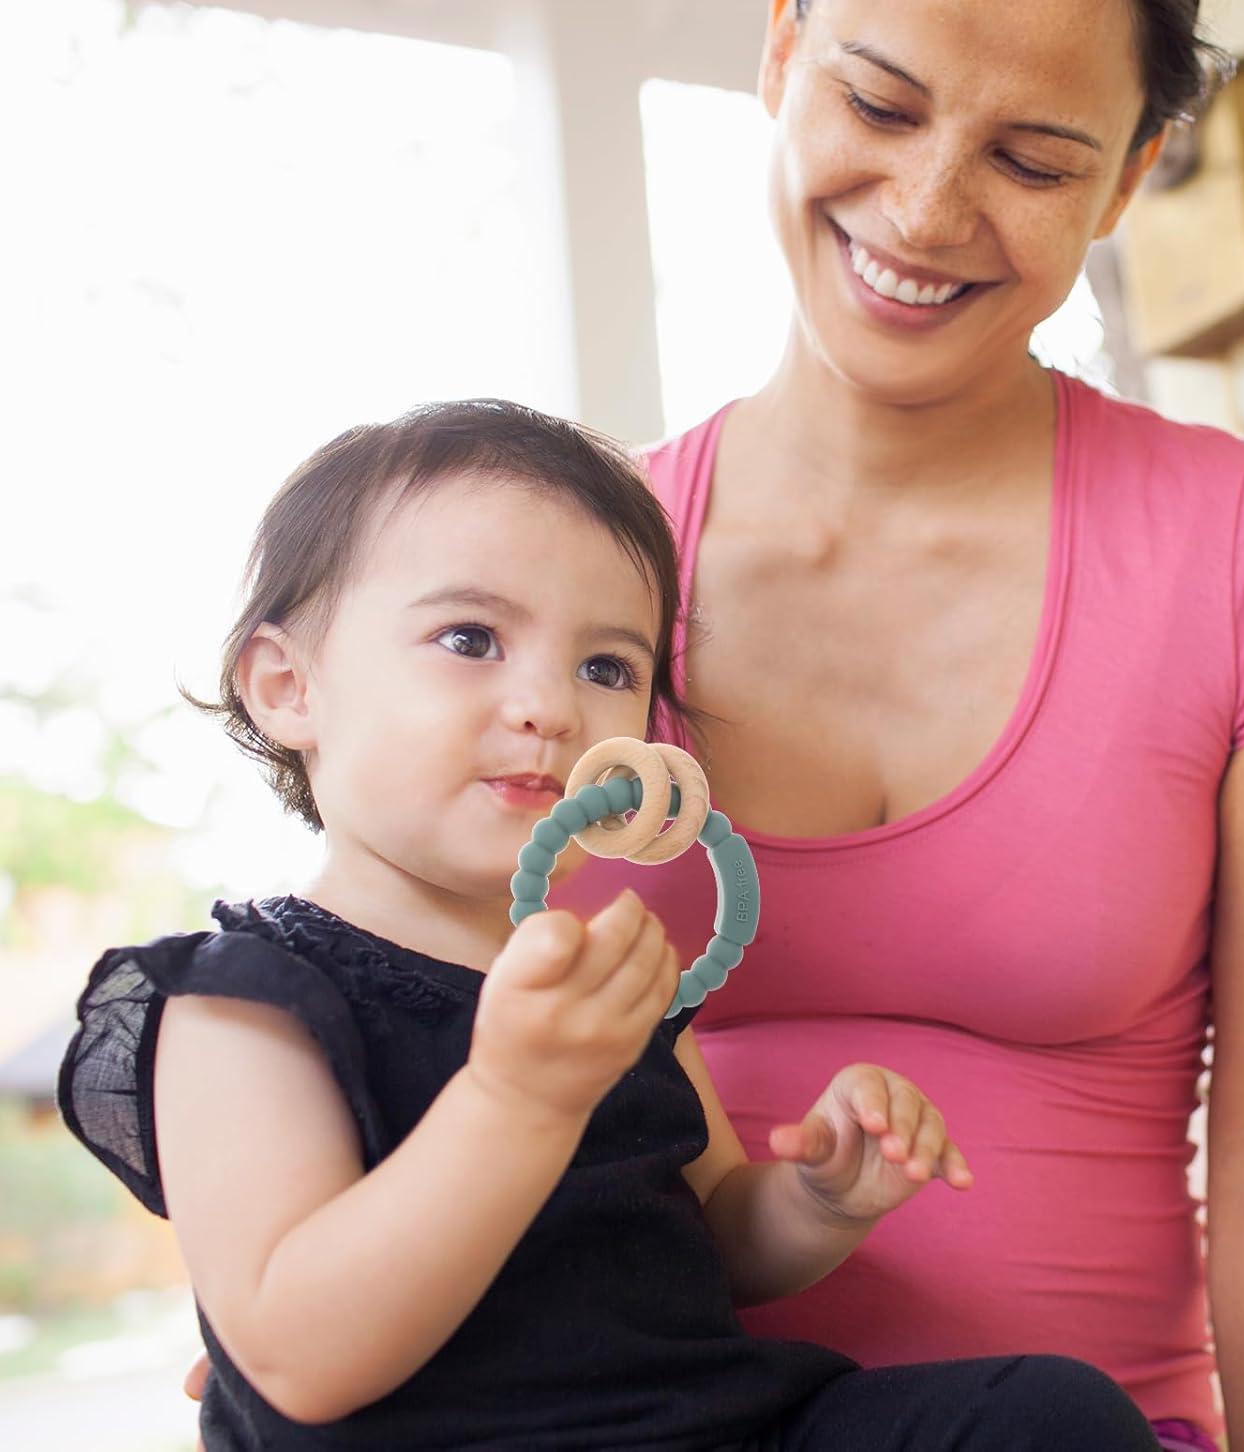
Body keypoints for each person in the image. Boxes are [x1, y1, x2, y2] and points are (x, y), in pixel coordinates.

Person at [548, 0, 1244, 1450]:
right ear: (782, 45)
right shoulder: (569, 569)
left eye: (1032, 159)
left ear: (1135, 172)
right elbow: (413, 993)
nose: (930, 210)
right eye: (880, 103)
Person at [58, 400, 1161, 1449]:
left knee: (1054, 1416)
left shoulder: (611, 974)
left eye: (605, 665)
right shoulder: (241, 1001)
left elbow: (717, 1240)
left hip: (707, 1423)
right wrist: (517, 1097)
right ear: (287, 687)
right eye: (471, 638)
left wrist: (817, 1199)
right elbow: (300, 1360)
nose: (548, 704)